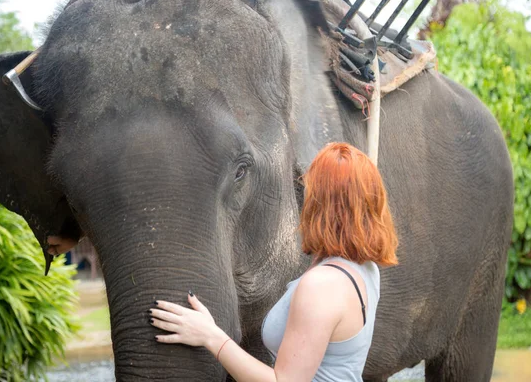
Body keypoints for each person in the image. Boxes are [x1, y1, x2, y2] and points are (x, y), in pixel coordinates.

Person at [150, 142, 398, 381]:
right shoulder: (365, 268)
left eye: (309, 189)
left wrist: (211, 336)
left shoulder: (322, 285)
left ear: (321, 203)